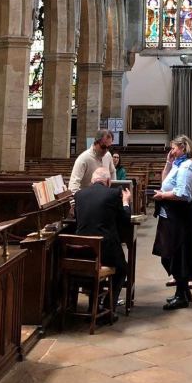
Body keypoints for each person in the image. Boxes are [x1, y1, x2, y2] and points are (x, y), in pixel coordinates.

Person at [152, 134, 192, 310]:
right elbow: (165, 182)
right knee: (170, 254)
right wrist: (168, 162)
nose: (171, 151)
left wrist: (162, 196)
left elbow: (182, 194)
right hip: (171, 215)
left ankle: (181, 296)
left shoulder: (187, 167)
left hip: (179, 216)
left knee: (176, 255)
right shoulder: (178, 164)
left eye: (173, 148)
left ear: (183, 148)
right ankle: (183, 292)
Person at [74, 167, 131, 310]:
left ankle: (93, 304)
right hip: (104, 250)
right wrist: (125, 202)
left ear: (92, 181)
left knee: (91, 268)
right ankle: (108, 307)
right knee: (122, 269)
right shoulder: (114, 193)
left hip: (81, 251)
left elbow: (78, 219)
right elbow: (125, 219)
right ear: (108, 181)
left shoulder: (79, 194)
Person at [68, 128, 116, 193]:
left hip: (105, 196)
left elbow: (112, 171)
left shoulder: (108, 155)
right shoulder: (83, 158)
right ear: (96, 143)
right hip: (87, 197)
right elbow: (73, 185)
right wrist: (80, 197)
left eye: (109, 147)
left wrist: (112, 190)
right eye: (103, 147)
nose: (106, 150)